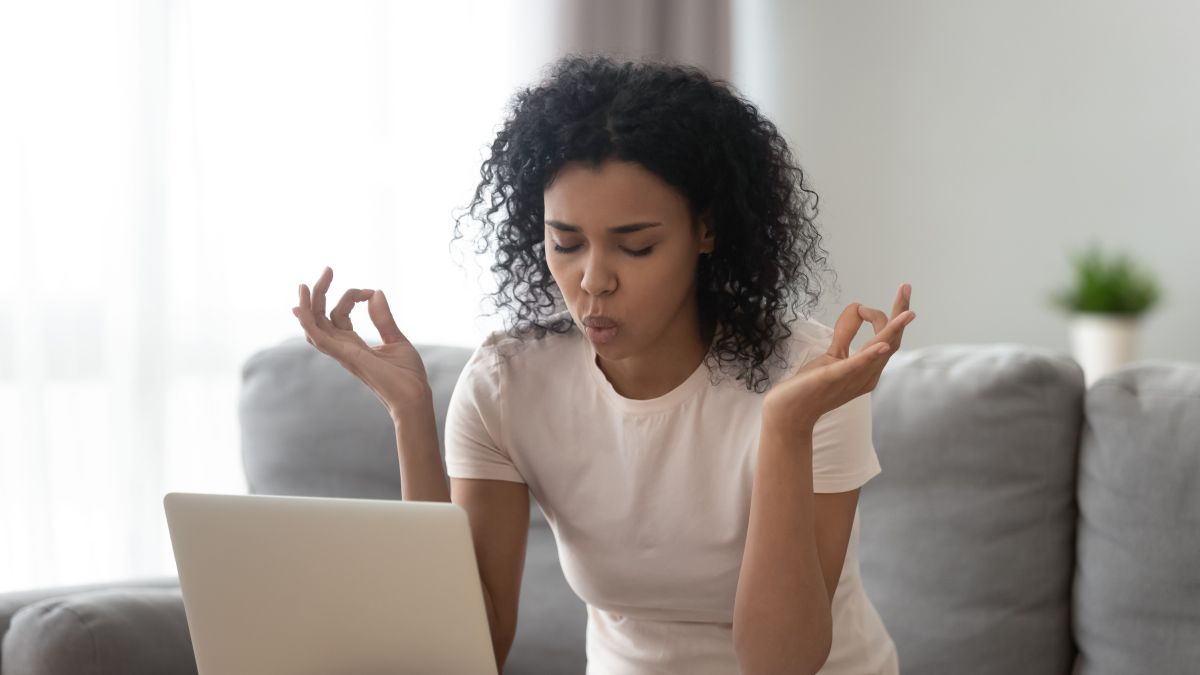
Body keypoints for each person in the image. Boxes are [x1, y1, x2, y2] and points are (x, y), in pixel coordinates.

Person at [292, 54, 915, 675]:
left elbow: (780, 665)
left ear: (706, 231)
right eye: (565, 243)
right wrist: (410, 416)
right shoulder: (508, 383)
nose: (592, 280)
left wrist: (784, 427)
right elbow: (464, 649)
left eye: (636, 246)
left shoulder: (808, 377)